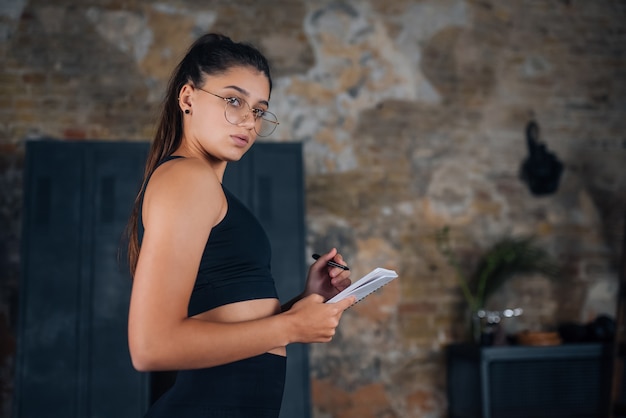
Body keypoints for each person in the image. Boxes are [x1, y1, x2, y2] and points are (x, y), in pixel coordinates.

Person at [125, 33, 355, 417]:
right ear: (187, 98)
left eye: (259, 110)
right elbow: (151, 347)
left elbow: (223, 318)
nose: (248, 121)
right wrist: (293, 328)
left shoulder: (201, 186)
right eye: (234, 101)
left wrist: (302, 304)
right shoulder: (188, 179)